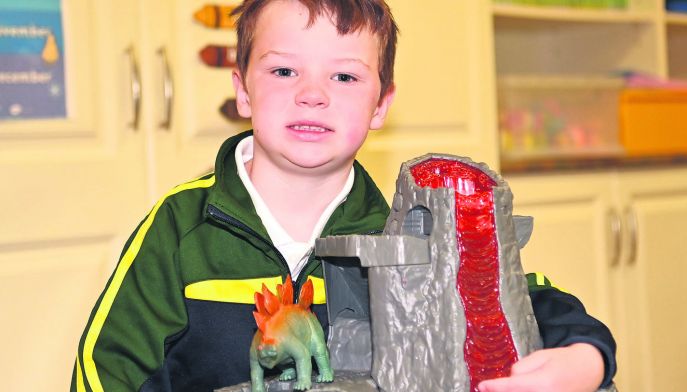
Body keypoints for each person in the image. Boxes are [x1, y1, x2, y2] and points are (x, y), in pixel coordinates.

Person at [71, 1, 616, 391]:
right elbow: (104, 369)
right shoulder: (180, 227)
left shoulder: (405, 230)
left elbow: (529, 297)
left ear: (382, 105)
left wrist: (588, 358)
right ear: (242, 90)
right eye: (284, 70)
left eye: (345, 77)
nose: (312, 94)